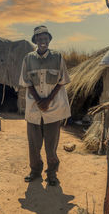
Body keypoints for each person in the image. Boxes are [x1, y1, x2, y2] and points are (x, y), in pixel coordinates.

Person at [19, 25, 71, 186]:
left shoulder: (57, 57)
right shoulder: (28, 59)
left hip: (53, 108)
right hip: (34, 109)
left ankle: (52, 173)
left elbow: (62, 81)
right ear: (35, 41)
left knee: (51, 145)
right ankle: (35, 171)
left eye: (45, 38)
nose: (43, 41)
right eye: (39, 39)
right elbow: (26, 82)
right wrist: (39, 101)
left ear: (49, 40)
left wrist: (48, 100)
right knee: (33, 144)